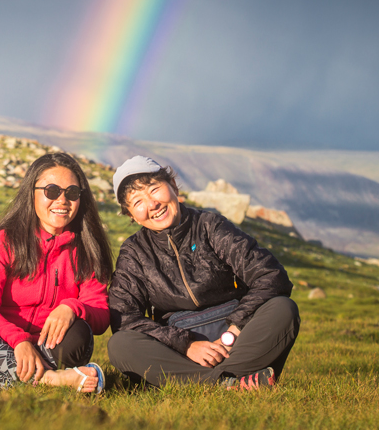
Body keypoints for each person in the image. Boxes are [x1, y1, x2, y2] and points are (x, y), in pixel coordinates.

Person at [107, 156, 300, 390]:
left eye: (154, 189)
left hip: (236, 339)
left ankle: (205, 382)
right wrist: (187, 345)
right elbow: (125, 318)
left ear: (173, 186)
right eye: (138, 201)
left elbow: (270, 275)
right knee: (120, 344)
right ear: (131, 215)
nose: (152, 204)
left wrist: (234, 331)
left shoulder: (210, 226)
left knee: (283, 309)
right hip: (179, 351)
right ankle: (230, 382)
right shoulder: (134, 252)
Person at [0, 152, 113, 393]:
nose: (62, 200)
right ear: (32, 192)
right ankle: (50, 379)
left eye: (72, 193)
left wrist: (71, 308)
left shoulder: (88, 249)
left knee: (80, 334)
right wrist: (19, 341)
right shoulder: (3, 241)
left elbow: (101, 315)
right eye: (52, 191)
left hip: (48, 348)